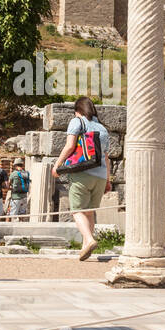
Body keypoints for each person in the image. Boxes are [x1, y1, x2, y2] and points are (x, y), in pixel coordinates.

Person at [52, 96, 110, 260]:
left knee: (77, 210)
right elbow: (106, 157)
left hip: (82, 173)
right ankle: (86, 246)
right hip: (100, 176)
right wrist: (108, 180)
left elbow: (70, 146)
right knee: (89, 212)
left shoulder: (77, 122)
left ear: (77, 110)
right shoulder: (102, 129)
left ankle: (90, 239)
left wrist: (57, 165)